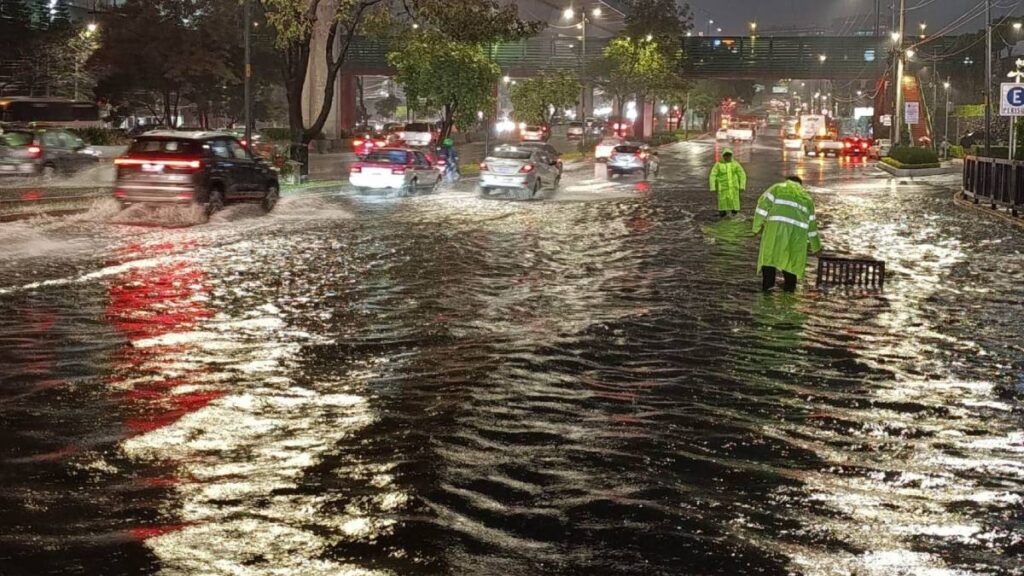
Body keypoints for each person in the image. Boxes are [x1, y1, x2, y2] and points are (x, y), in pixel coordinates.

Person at [752, 176, 822, 292]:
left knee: (769, 261)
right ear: (800, 185)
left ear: (787, 181)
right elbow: (812, 228)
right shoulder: (807, 199)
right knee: (791, 266)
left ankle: (767, 294)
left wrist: (756, 228)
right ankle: (788, 299)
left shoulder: (776, 188)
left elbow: (762, 207)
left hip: (774, 234)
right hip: (796, 239)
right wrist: (816, 248)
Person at [708, 148, 746, 217]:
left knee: (734, 206)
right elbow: (712, 175)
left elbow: (742, 174)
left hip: (734, 189)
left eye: (729, 155)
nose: (727, 157)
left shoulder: (735, 164)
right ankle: (722, 219)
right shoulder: (718, 164)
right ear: (723, 156)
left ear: (731, 156)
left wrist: (742, 186)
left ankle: (734, 218)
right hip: (723, 189)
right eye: (726, 155)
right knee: (723, 206)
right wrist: (712, 186)